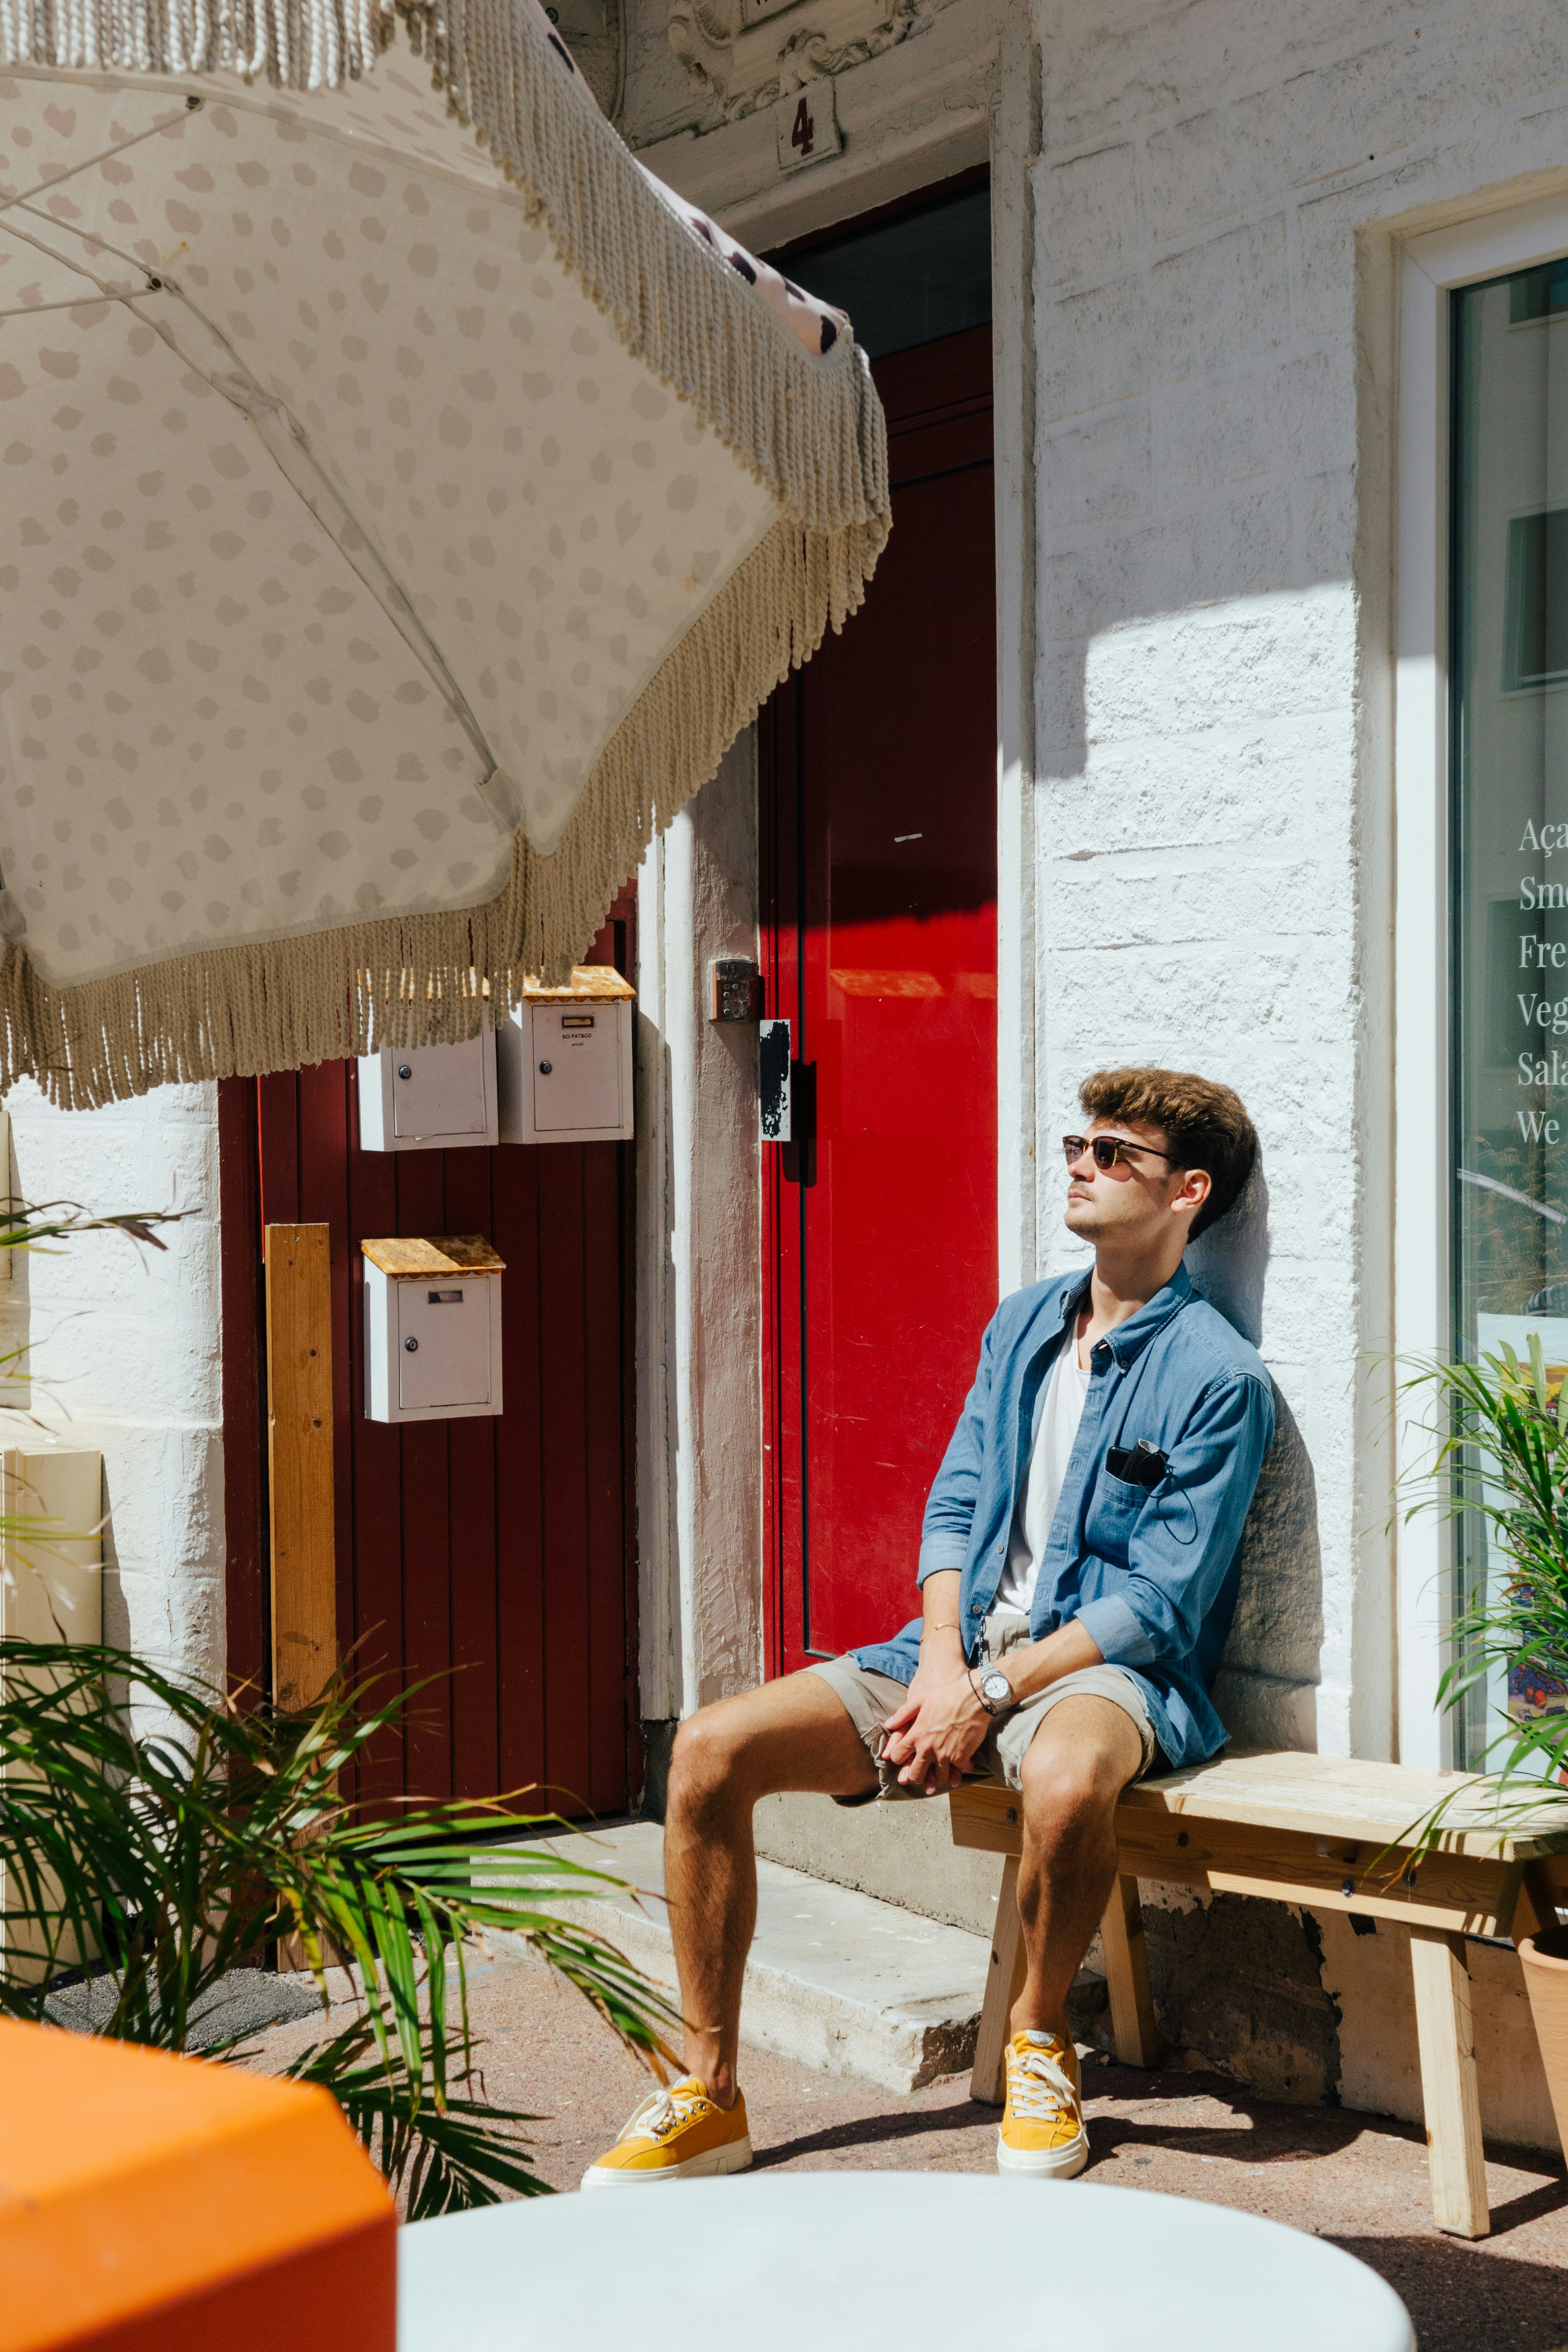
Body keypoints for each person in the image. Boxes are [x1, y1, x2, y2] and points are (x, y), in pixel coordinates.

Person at [583, 1066, 1275, 2189]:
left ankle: (1040, 2046)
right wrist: (948, 1660)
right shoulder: (1023, 1326)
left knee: (1063, 1783)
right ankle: (707, 2092)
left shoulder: (1219, 1379)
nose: (1083, 1169)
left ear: (1188, 1192)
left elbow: (1157, 1604)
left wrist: (995, 1694)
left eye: (1115, 1155)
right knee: (710, 1750)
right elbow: (955, 1502)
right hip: (955, 1654)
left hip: (1107, 1669)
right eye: (1077, 1147)